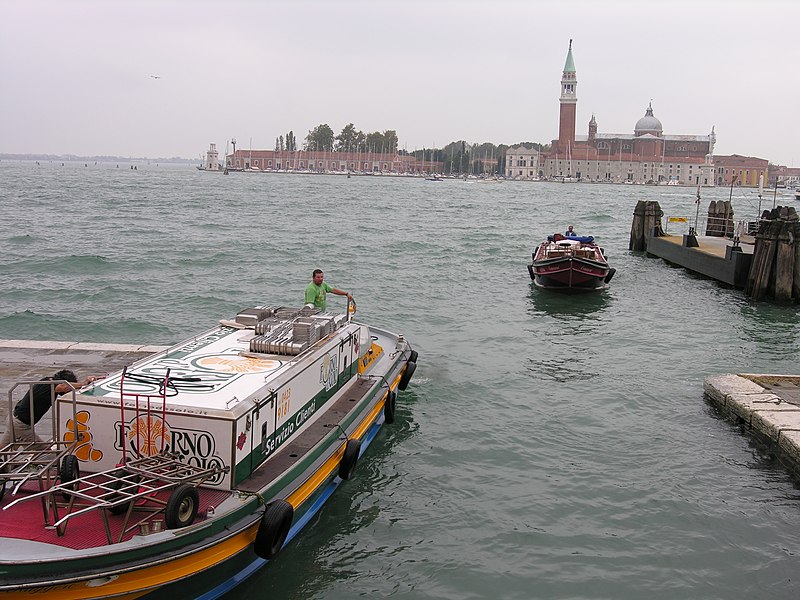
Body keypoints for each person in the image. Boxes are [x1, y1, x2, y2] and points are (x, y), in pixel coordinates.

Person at [0, 370, 102, 447]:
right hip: (21, 425)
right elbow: (63, 387)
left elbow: (62, 386)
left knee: (4, 447)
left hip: (14, 419)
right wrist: (83, 383)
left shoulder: (47, 381)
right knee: (44, 451)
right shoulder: (50, 386)